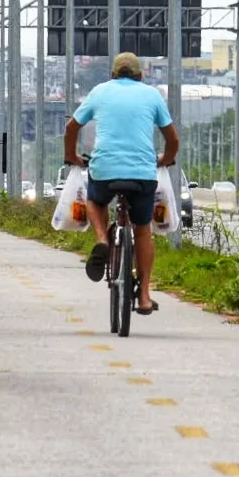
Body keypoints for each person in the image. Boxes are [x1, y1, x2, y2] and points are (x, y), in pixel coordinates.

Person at [64, 52, 179, 316]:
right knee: (142, 230)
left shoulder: (100, 92)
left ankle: (103, 239)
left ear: (112, 75)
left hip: (105, 169)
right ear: (141, 75)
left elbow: (72, 127)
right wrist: (165, 160)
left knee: (95, 200)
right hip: (143, 172)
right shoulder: (152, 95)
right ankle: (146, 296)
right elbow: (173, 140)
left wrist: (72, 156)